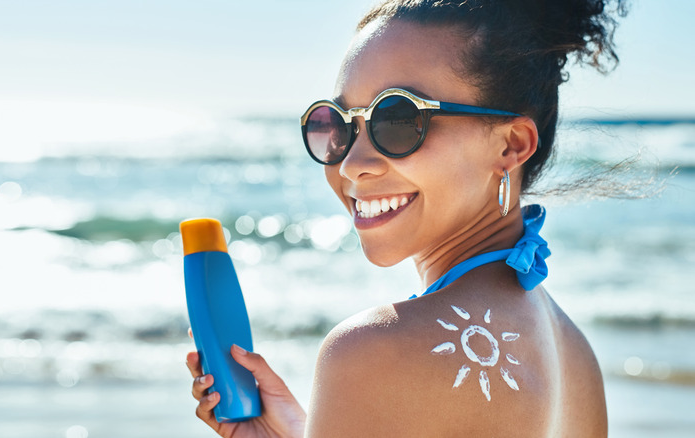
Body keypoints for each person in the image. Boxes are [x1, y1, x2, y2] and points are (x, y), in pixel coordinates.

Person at [186, 0, 626, 436]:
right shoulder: (576, 358)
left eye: (397, 119)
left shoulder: (371, 353)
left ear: (511, 145)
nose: (351, 164)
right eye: (338, 124)